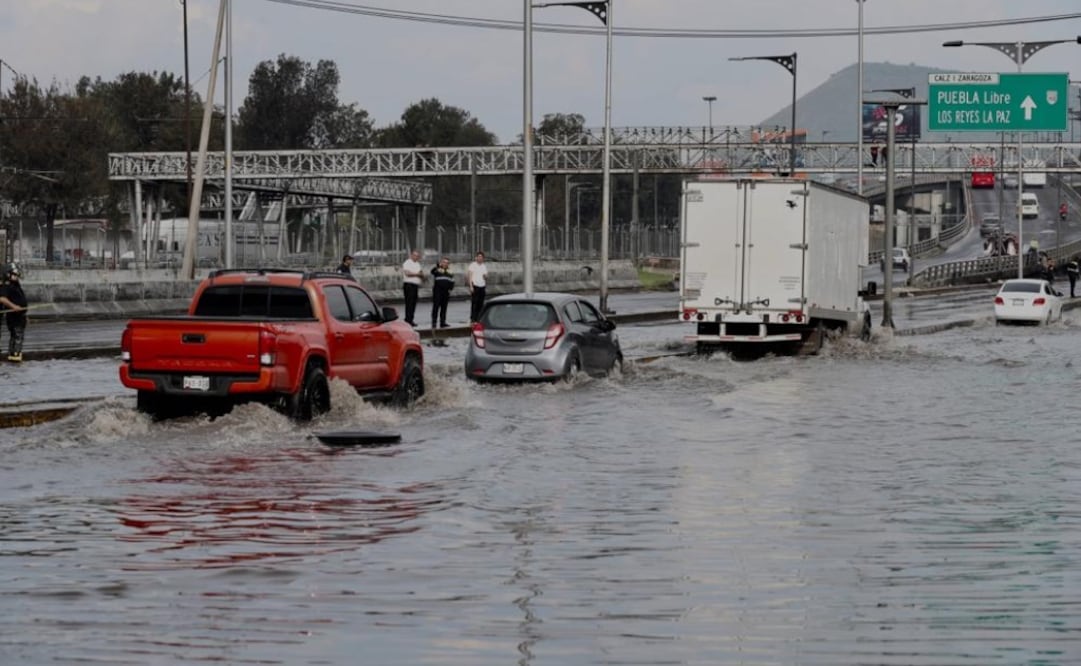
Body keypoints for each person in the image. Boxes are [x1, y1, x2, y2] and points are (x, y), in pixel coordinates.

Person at [0, 264, 28, 362]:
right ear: (9, 275)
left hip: (20, 316)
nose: (17, 276)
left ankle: (13, 355)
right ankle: (15, 356)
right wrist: (14, 307)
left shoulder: (16, 285)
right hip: (14, 317)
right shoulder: (7, 286)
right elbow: (2, 299)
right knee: (17, 336)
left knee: (16, 335)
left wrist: (24, 314)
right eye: (14, 274)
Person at [401, 249, 425, 326]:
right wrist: (417, 274)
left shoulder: (418, 264)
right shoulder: (407, 263)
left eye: (417, 256)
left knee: (414, 303)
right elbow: (407, 273)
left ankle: (411, 319)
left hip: (415, 286)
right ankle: (408, 320)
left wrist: (419, 275)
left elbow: (421, 273)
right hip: (409, 285)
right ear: (411, 255)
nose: (416, 257)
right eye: (414, 255)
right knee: (409, 303)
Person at [429, 257, 454, 329]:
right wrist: (437, 266)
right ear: (441, 263)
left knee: (444, 307)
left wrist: (450, 289)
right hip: (437, 291)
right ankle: (434, 322)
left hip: (446, 292)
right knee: (436, 307)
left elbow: (452, 281)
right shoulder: (438, 270)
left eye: (447, 263)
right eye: (444, 262)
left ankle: (442, 322)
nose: (445, 264)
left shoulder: (450, 272)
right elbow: (432, 271)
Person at [466, 250, 488, 323]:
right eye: (478, 257)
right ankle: (473, 318)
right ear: (476, 258)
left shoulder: (483, 266)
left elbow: (485, 276)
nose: (480, 258)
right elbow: (470, 276)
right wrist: (471, 286)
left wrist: (486, 277)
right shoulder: (473, 265)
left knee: (480, 303)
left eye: (481, 257)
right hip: (475, 285)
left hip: (482, 285)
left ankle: (479, 317)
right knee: (474, 302)